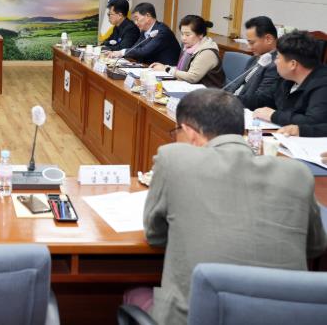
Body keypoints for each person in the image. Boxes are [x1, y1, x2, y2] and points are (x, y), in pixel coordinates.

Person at [129, 89, 326, 325]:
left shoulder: (174, 159)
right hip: (285, 318)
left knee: (135, 294)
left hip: (193, 317)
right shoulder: (297, 174)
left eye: (176, 131)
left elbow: (155, 236)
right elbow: (315, 246)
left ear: (190, 133)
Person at [253, 31, 327, 133]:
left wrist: (274, 115)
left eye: (278, 57)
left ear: (293, 64)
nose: (275, 61)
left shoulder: (322, 83)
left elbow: (314, 122)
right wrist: (234, 100)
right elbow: (263, 99)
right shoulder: (287, 77)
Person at [149, 15, 224, 88]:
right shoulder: (189, 48)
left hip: (208, 93)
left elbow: (192, 77)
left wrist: (166, 69)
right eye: (182, 34)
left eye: (187, 35)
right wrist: (164, 67)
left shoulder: (207, 52)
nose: (183, 38)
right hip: (191, 89)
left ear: (200, 35)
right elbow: (183, 71)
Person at [224, 16, 280, 109]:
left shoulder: (277, 65)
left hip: (246, 109)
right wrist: (221, 96)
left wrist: (227, 100)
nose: (249, 48)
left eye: (252, 42)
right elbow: (236, 84)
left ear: (268, 39)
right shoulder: (255, 58)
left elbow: (260, 100)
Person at [108, 2, 180, 65]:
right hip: (150, 68)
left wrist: (122, 52)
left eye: (137, 19)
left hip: (166, 71)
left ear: (148, 16)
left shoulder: (162, 31)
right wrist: (117, 53)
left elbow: (144, 51)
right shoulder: (144, 31)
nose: (135, 23)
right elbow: (135, 48)